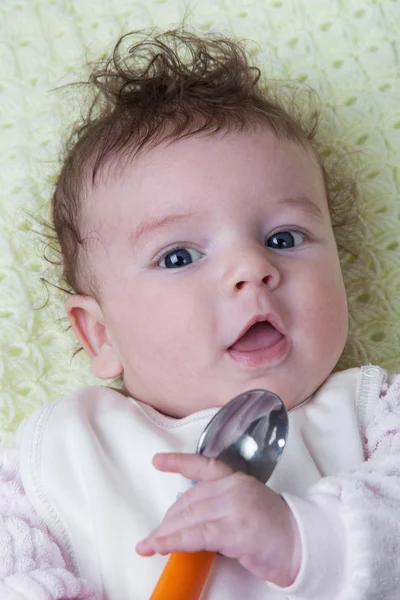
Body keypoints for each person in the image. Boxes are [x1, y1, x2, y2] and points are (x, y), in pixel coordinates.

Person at [1, 28, 400, 600]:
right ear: (99, 333)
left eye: (285, 237)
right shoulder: (57, 455)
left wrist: (302, 539)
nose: (251, 267)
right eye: (180, 255)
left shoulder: (372, 418)